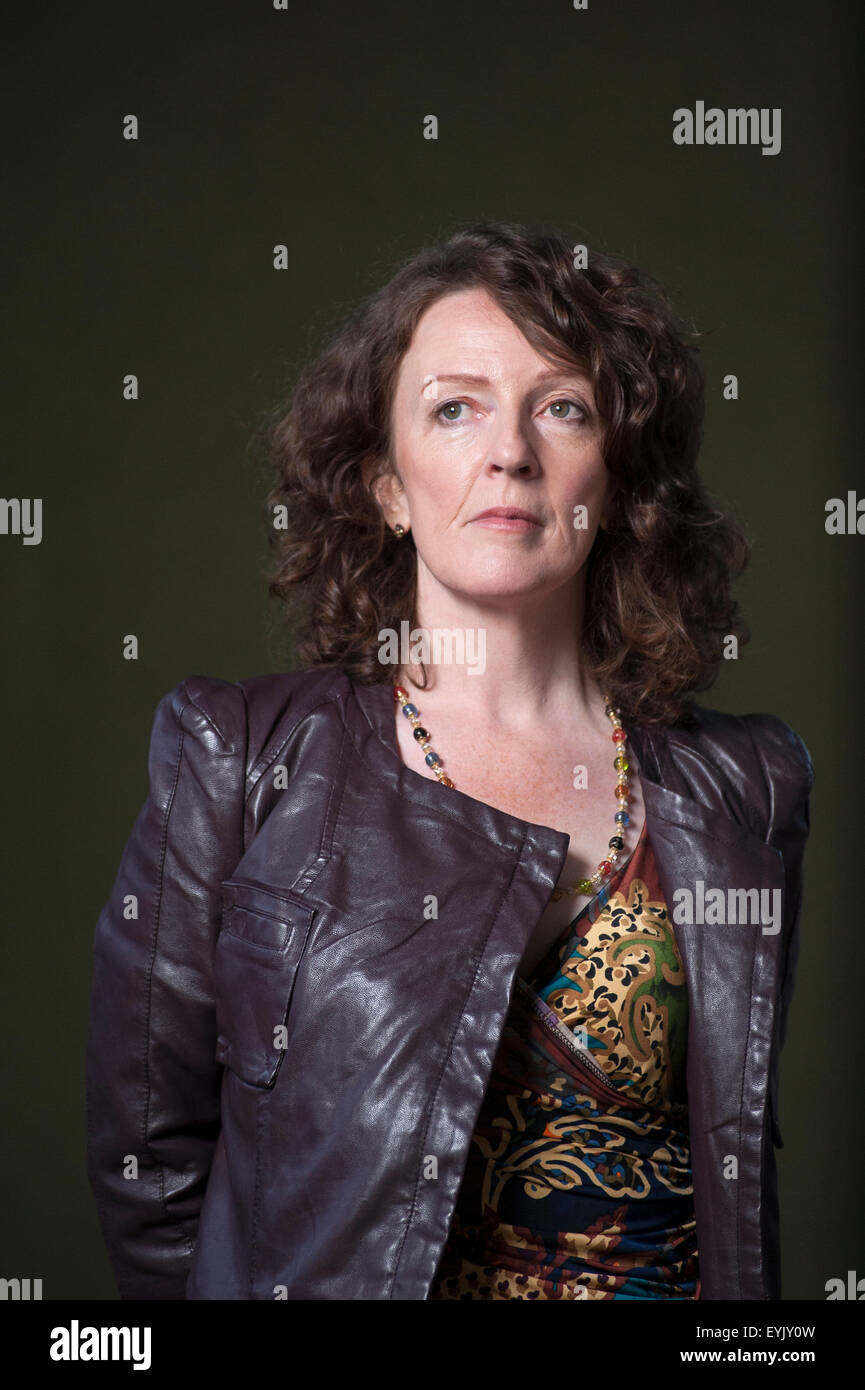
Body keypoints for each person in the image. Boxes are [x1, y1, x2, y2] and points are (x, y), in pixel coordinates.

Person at [86, 221, 813, 1301]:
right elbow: (150, 1174)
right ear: (387, 485)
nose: (509, 451)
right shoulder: (237, 758)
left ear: (611, 477)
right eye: (454, 407)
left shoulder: (745, 788)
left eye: (561, 406)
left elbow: (727, 1176)